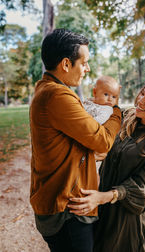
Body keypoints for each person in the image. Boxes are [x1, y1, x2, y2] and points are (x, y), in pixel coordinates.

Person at [68, 69, 145, 252]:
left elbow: (142, 186)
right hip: (104, 207)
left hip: (129, 223)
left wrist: (103, 197)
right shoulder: (126, 118)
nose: (140, 100)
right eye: (142, 94)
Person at [29, 28, 122, 252]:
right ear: (66, 64)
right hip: (67, 209)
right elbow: (102, 141)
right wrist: (117, 111)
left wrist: (88, 151)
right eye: (84, 63)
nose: (87, 69)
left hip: (63, 203)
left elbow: (78, 141)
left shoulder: (47, 89)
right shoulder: (58, 96)